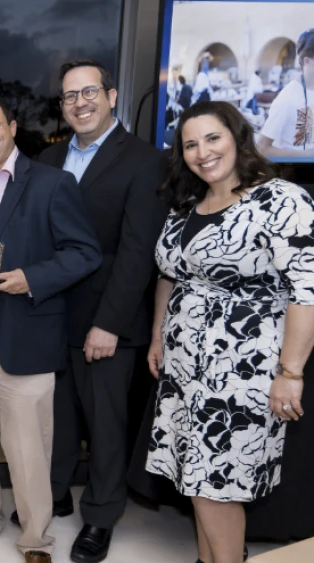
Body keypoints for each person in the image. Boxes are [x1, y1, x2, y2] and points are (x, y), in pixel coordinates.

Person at [0, 96, 101, 563]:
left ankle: (34, 538)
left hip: (23, 329)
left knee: (27, 446)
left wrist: (32, 278)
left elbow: (84, 253)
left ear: (11, 127)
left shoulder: (51, 184)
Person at [148, 100, 314, 563]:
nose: (203, 152)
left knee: (218, 484)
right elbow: (169, 274)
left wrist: (292, 372)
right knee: (196, 478)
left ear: (239, 138)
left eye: (213, 138)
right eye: (191, 144)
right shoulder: (186, 205)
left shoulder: (281, 199)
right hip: (184, 367)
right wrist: (159, 335)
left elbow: (308, 290)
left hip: (243, 370)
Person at [28, 59, 168, 563]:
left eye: (89, 92)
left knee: (105, 425)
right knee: (58, 415)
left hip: (107, 318)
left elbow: (137, 252)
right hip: (51, 314)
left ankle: (102, 517)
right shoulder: (48, 160)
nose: (79, 103)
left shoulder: (145, 160)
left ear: (111, 96)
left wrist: (107, 323)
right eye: (69, 96)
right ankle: (57, 489)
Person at [258, 28, 314, 157]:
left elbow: (308, 136)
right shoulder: (288, 98)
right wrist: (306, 155)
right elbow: (262, 148)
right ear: (307, 61)